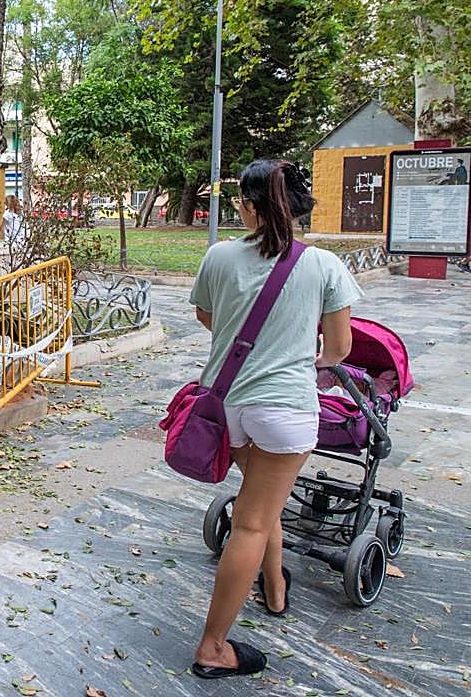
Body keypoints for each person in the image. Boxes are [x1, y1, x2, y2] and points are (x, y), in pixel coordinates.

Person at [188, 160, 362, 679]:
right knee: (252, 521)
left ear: (247, 204)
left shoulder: (219, 255)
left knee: (260, 505)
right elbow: (339, 348)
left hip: (226, 406)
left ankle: (277, 589)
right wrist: (300, 350)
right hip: (284, 409)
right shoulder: (325, 266)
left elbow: (206, 317)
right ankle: (214, 647)